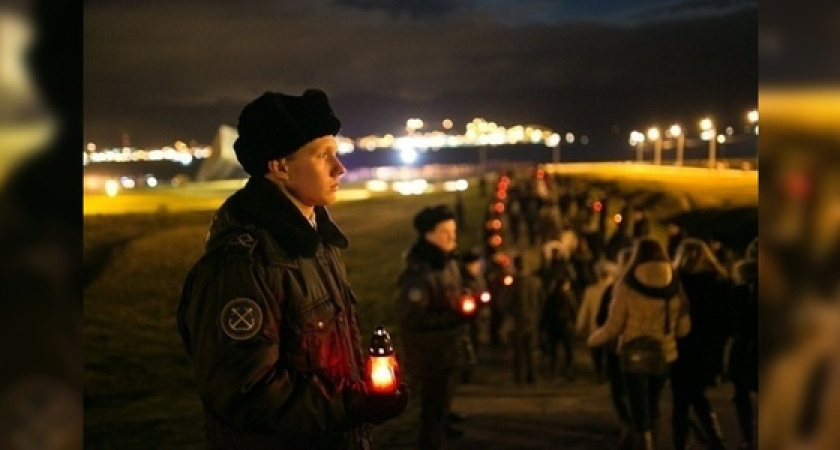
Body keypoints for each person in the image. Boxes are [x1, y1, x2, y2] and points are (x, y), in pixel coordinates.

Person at [177, 90, 408, 450]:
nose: (340, 168)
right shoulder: (244, 266)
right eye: (323, 155)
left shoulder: (318, 244)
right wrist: (355, 403)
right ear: (280, 167)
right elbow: (244, 393)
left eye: (337, 152)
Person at [588, 238, 691, 450]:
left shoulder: (626, 285)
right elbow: (683, 328)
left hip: (633, 355)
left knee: (638, 409)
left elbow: (613, 327)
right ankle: (654, 439)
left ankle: (645, 444)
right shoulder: (675, 285)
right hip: (664, 355)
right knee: (653, 404)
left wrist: (594, 339)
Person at [396, 205, 467, 449]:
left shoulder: (447, 263)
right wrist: (454, 316)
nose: (453, 238)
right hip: (431, 358)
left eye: (454, 232)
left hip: (448, 350)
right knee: (431, 415)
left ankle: (444, 428)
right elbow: (412, 318)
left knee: (442, 407)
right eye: (446, 233)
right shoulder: (419, 274)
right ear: (429, 235)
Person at [671, 238, 733, 450]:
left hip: (681, 346)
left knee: (682, 398)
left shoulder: (677, 282)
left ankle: (684, 441)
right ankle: (714, 439)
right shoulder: (719, 281)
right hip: (706, 348)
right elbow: (726, 321)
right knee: (695, 394)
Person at [729, 238, 758, 450]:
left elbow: (732, 322)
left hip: (745, 348)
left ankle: (748, 438)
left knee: (741, 395)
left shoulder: (740, 289)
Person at [500, 255, 545, 384]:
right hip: (533, 320)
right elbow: (542, 300)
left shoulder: (514, 283)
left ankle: (519, 377)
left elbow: (504, 302)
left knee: (518, 351)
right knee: (531, 349)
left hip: (518, 321)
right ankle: (532, 377)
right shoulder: (536, 282)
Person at [575, 260, 619, 383]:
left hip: (595, 328)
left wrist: (580, 326)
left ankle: (599, 372)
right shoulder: (617, 290)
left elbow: (585, 310)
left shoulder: (591, 291)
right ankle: (609, 374)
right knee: (610, 352)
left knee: (597, 352)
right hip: (612, 327)